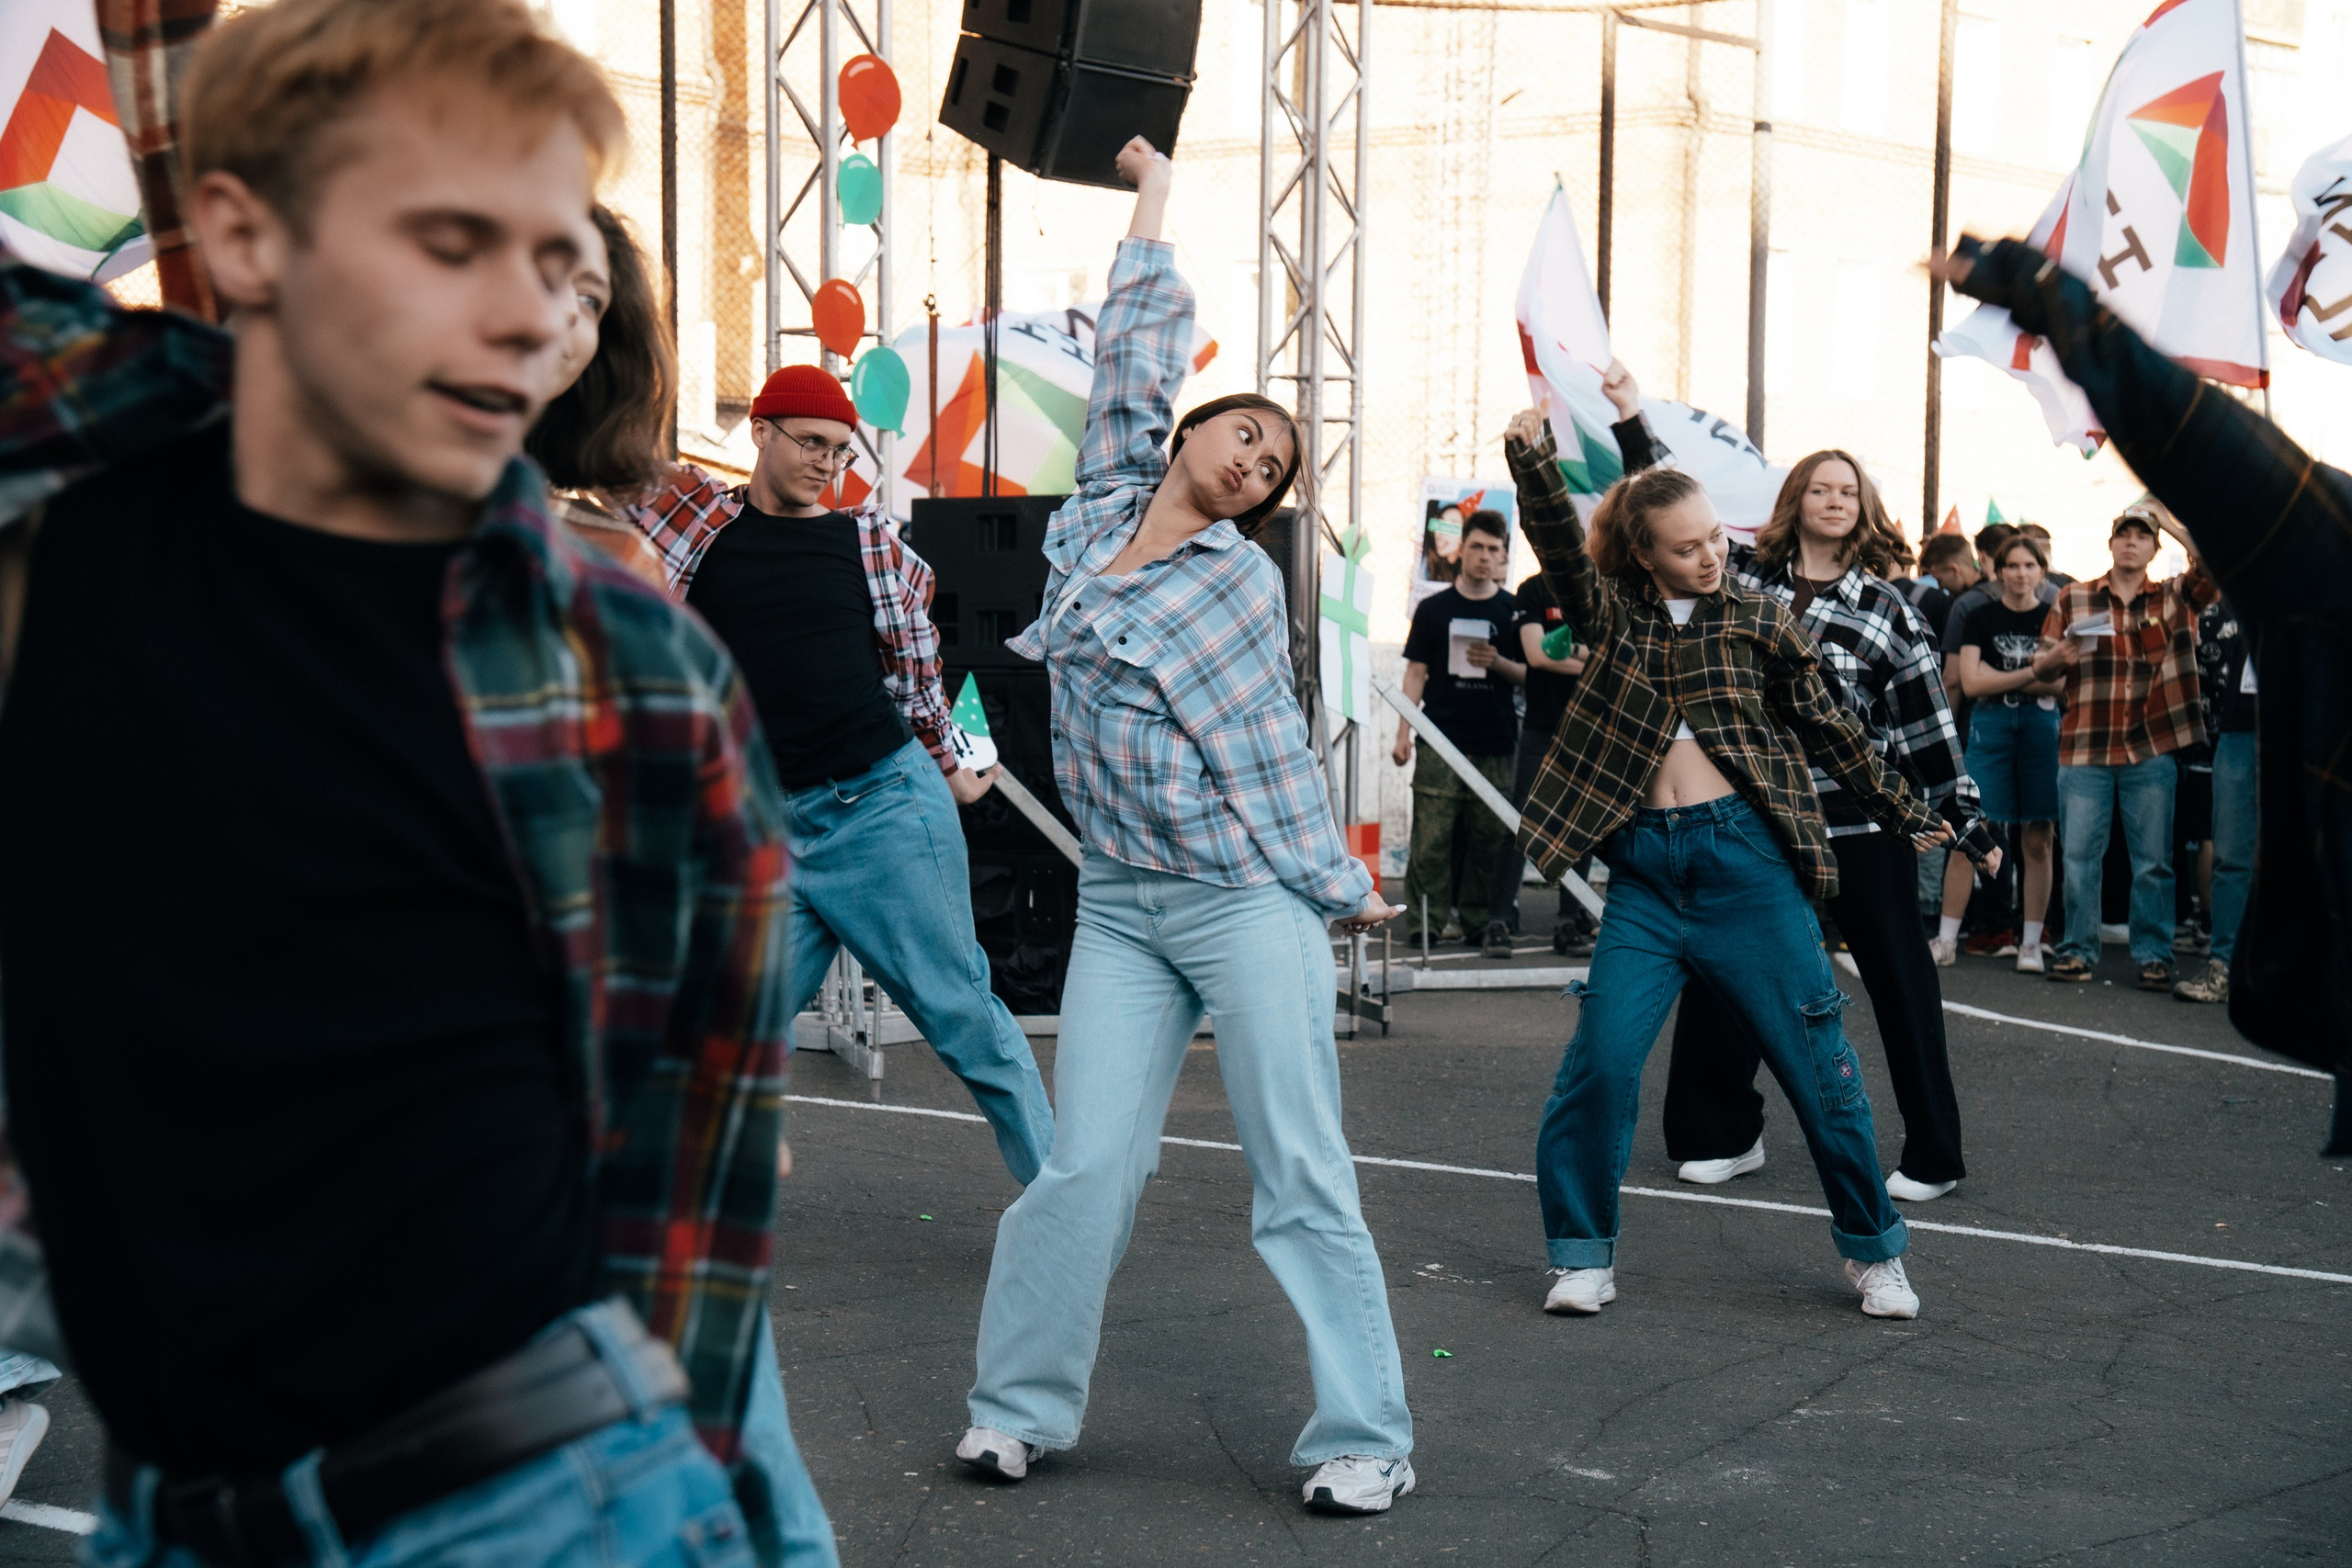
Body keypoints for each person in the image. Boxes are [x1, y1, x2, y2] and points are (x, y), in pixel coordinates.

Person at [0, 3, 831, 1563]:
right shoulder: (80, 503)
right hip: (174, 1517)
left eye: (554, 261)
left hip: (544, 1507)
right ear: (241, 235)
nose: (529, 317)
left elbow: (697, 1216)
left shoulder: (633, 670)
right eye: (454, 243)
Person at [958, 138, 1416, 1517]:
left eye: (1273, 464)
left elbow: (1268, 751)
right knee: (1083, 1161)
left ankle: (1365, 1433)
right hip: (1120, 904)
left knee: (1298, 1167)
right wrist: (1151, 186)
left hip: (1239, 900)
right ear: (1190, 432)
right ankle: (1014, 1408)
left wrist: (1333, 880)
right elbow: (1136, 338)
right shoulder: (1098, 506)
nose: (1253, 460)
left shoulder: (1232, 580)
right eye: (1243, 432)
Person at [1502, 394, 1951, 1324]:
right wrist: (1530, 456)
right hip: (1648, 881)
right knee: (1598, 1065)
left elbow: (1835, 729)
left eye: (1714, 537)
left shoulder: (1757, 619)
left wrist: (1905, 812)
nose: (1710, 555)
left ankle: (1874, 1255)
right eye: (1685, 546)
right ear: (1642, 555)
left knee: (1820, 1066)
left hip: (1748, 867)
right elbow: (1554, 535)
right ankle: (1581, 1255)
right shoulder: (1612, 619)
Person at [631, 363, 1057, 1186]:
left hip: (881, 811)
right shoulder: (695, 521)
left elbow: (918, 676)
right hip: (763, 832)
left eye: (840, 449)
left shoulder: (867, 542)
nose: (829, 463)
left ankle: (1065, 1214)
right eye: (812, 443)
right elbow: (607, 472)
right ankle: (677, 1231)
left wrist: (952, 762)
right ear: (760, 432)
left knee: (964, 1016)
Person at [1628, 389, 1997, 1207]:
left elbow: (1925, 724)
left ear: (1863, 510)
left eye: (1850, 490)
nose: (1837, 500)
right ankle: (1720, 1133)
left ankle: (1935, 1152)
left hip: (1862, 820)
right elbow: (1658, 509)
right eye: (1822, 487)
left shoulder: (1887, 607)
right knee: (1728, 974)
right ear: (1797, 500)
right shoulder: (1739, 579)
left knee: (1900, 981)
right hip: (1757, 816)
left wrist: (1964, 813)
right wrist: (1627, 416)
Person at [2025, 502, 2214, 988]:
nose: (2132, 542)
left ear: (2154, 548)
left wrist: (2172, 523)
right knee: (2079, 858)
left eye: (2142, 536)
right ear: (2110, 544)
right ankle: (2077, 951)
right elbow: (2040, 668)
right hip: (2085, 744)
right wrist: (2060, 656)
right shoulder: (2075, 597)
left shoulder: (2174, 596)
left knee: (2153, 861)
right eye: (2124, 534)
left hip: (2151, 747)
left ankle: (2154, 956)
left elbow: (2214, 567)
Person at [1394, 509, 1523, 953]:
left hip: (1496, 741)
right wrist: (1402, 734)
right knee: (1430, 839)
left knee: (1488, 840)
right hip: (1440, 740)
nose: (1484, 557)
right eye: (1477, 547)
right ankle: (1425, 924)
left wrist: (1500, 664)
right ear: (1462, 549)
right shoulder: (1433, 609)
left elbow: (1533, 674)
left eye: (1494, 550)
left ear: (1503, 556)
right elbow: (1415, 674)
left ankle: (1477, 921)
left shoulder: (1512, 611)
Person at [1957, 532, 2065, 975]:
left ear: (2043, 570)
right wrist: (2033, 671)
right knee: (1974, 825)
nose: (2021, 574)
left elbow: (2058, 685)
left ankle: (2032, 941)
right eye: (2013, 566)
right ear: (1998, 571)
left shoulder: (2053, 617)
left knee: (2038, 835)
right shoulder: (1978, 615)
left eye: (2030, 566)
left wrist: (1998, 675)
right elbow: (1970, 685)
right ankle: (1948, 936)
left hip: (2040, 728)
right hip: (1991, 728)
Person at [1491, 558, 1599, 957]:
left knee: (1582, 827)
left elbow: (1616, 656)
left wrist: (1579, 656)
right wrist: (1590, 658)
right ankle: (1499, 921)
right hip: (1541, 725)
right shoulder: (1533, 590)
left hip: (1590, 726)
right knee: (1519, 822)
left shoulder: (1596, 593)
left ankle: (1569, 923)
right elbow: (1536, 657)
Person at [2176, 589, 2256, 1003]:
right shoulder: (2245, 583)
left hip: (2306, 727)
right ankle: (2225, 965)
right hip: (2241, 729)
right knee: (2231, 858)